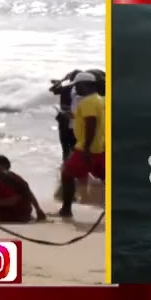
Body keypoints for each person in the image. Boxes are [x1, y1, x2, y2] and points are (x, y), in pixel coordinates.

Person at [59, 71, 106, 218]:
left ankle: (66, 210)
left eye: (77, 86)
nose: (76, 89)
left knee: (67, 175)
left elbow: (91, 125)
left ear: (85, 85)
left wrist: (86, 149)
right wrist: (73, 117)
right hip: (101, 146)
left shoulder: (87, 102)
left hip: (87, 147)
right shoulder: (101, 100)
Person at [0, 155, 46, 223]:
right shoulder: (16, 177)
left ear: (3, 165)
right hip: (24, 213)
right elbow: (29, 193)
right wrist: (38, 209)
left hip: (8, 211)